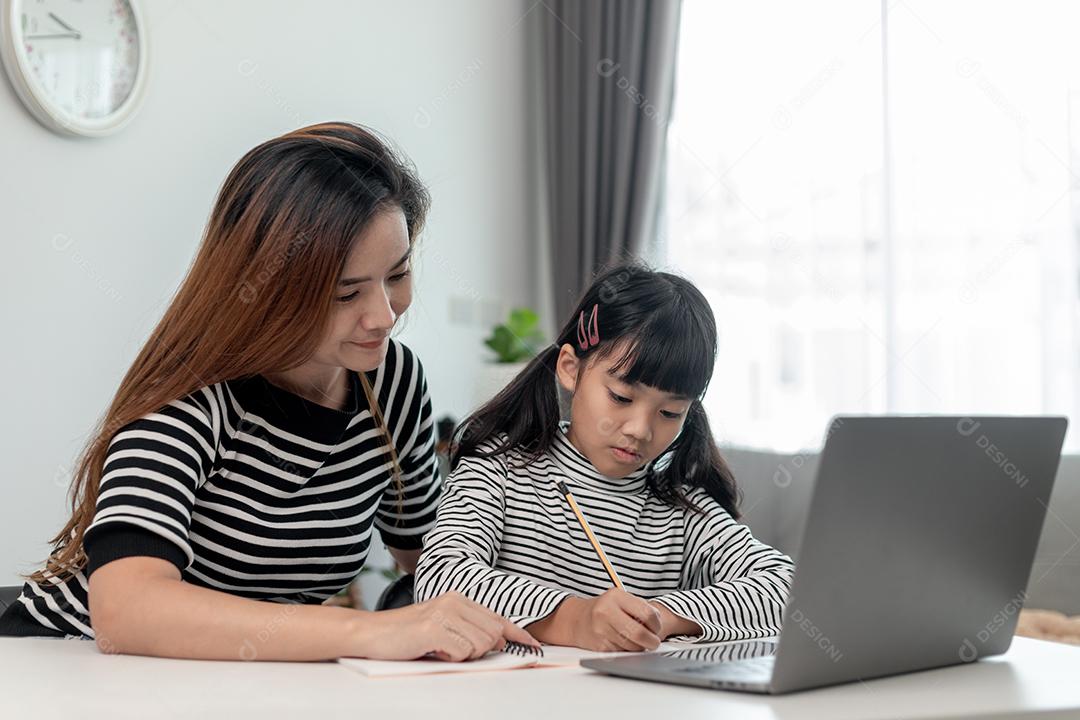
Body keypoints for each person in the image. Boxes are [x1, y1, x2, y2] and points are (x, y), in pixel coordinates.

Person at [0, 122, 537, 662]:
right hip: (63, 666)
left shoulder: (390, 381)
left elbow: (431, 559)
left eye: (396, 275)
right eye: (345, 293)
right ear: (268, 289)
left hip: (232, 682)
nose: (383, 315)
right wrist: (371, 631)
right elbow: (124, 612)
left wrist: (566, 611)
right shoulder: (189, 401)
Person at [415, 263, 794, 652]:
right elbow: (440, 579)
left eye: (670, 413)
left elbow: (787, 587)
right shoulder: (500, 467)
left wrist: (657, 617)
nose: (640, 429)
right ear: (569, 368)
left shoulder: (682, 509)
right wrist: (574, 620)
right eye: (621, 398)